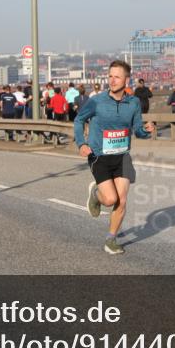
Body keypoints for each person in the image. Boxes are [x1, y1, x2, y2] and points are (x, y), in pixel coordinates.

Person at [74, 60, 154, 255]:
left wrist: (147, 131)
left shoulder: (133, 103)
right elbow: (79, 119)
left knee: (122, 200)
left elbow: (137, 130)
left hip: (122, 156)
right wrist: (81, 143)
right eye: (110, 76)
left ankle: (111, 239)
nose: (112, 80)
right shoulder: (97, 101)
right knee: (110, 199)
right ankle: (95, 195)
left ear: (127, 79)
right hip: (99, 155)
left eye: (117, 76)